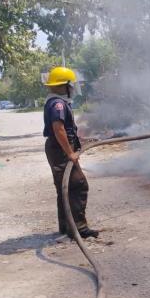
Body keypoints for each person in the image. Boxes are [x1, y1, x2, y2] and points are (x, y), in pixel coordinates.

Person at [43, 66, 99, 239]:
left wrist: (79, 143)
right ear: (64, 85)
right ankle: (79, 228)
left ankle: (67, 227)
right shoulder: (58, 104)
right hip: (60, 150)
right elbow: (58, 129)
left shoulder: (55, 101)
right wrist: (70, 153)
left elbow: (64, 130)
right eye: (71, 85)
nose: (73, 88)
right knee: (78, 185)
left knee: (64, 188)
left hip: (57, 148)